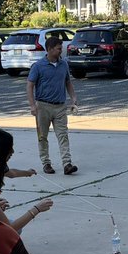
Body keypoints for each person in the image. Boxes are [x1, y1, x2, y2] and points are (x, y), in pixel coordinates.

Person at [27, 36, 78, 175]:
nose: (61, 51)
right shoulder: (38, 66)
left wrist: (73, 98)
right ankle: (46, 163)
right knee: (42, 136)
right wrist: (32, 105)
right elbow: (30, 86)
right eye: (59, 48)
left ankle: (67, 164)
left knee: (63, 135)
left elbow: (68, 82)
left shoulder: (64, 64)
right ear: (49, 49)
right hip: (43, 106)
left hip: (60, 106)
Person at [0, 128, 36, 209]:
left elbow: (12, 173)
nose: (13, 151)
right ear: (1, 150)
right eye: (10, 147)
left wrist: (28, 172)